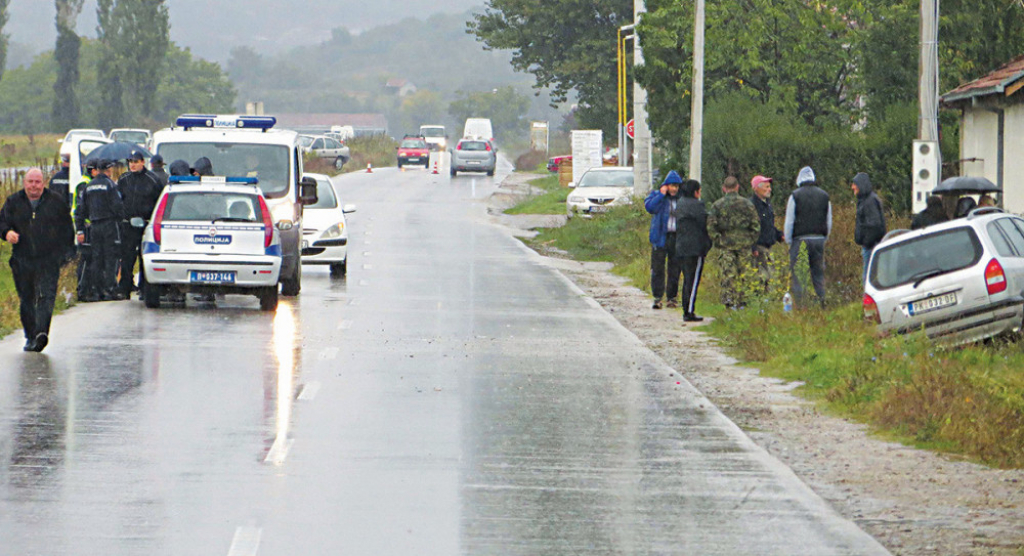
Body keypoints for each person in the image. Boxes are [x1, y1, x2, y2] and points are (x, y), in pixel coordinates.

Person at [0, 168, 76, 352]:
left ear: (43, 183)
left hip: (48, 259)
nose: (34, 186)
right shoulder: (13, 202)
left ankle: (42, 333)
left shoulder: (55, 202)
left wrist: (67, 254)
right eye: (30, 182)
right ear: (25, 183)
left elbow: (67, 229)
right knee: (27, 298)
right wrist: (7, 233)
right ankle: (30, 335)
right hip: (22, 259)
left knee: (46, 296)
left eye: (37, 182)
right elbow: (2, 222)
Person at [75, 159, 125, 301]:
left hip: (94, 226)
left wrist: (80, 229)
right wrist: (120, 221)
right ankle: (109, 290)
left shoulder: (89, 186)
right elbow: (118, 207)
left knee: (97, 258)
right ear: (108, 170)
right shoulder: (110, 185)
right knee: (110, 258)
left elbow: (80, 211)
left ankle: (96, 291)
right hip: (109, 225)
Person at [707, 176, 760, 308]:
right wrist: (750, 240)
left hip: (726, 244)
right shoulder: (747, 204)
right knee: (745, 273)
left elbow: (711, 226)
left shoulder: (717, 205)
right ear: (737, 187)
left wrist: (719, 241)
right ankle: (744, 301)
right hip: (744, 244)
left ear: (724, 188)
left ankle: (729, 301)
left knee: (728, 274)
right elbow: (756, 225)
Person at [117, 150, 163, 297]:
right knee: (127, 258)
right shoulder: (123, 179)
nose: (133, 165)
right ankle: (125, 288)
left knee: (144, 257)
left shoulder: (153, 179)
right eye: (130, 162)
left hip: (145, 225)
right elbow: (118, 200)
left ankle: (144, 288)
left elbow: (158, 202)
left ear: (143, 162)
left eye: (136, 162)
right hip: (127, 225)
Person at [784, 166, 831, 307]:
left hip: (800, 240)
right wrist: (825, 238)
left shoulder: (795, 196)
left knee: (799, 275)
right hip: (819, 239)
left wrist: (788, 241)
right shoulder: (825, 196)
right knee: (818, 274)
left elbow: (789, 220)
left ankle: (801, 305)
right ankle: (823, 302)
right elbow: (829, 220)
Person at [673, 179, 712, 323]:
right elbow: (705, 223)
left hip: (681, 246)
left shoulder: (680, 203)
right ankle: (689, 311)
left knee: (687, 280)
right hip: (695, 248)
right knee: (693, 280)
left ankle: (687, 308)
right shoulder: (697, 205)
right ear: (696, 192)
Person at [644, 170, 683, 309]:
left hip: (676, 237)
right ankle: (657, 297)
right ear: (666, 185)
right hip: (660, 237)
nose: (674, 189)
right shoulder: (657, 195)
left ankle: (672, 298)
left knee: (674, 269)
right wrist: (661, 194)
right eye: (672, 186)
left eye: (676, 186)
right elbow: (650, 207)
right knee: (658, 268)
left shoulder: (681, 199)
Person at [852, 172, 887, 283]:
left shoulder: (869, 202)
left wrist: (867, 242)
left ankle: (869, 300)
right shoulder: (866, 200)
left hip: (871, 246)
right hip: (870, 245)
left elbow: (875, 225)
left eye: (854, 184)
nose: (852, 187)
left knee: (868, 279)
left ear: (861, 185)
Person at [750, 175, 784, 290]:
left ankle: (769, 302)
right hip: (758, 247)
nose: (769, 189)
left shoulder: (767, 204)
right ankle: (761, 301)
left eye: (769, 187)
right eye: (766, 187)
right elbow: (749, 228)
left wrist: (779, 235)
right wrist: (752, 247)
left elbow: (769, 225)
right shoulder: (752, 206)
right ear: (757, 189)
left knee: (771, 276)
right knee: (762, 277)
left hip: (768, 246)